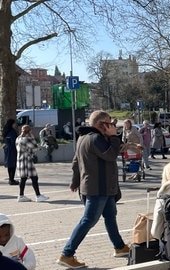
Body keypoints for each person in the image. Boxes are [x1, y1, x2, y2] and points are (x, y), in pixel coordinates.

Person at [57, 110, 129, 269]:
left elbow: (75, 162)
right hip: (98, 188)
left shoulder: (83, 137)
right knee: (88, 220)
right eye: (109, 123)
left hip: (101, 187)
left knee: (110, 216)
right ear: (101, 124)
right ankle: (67, 254)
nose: (112, 126)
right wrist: (114, 137)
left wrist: (75, 181)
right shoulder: (95, 138)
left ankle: (119, 247)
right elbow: (110, 155)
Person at [15, 125, 49, 203]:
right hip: (27, 160)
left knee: (23, 178)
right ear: (29, 131)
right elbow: (35, 147)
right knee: (34, 177)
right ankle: (38, 195)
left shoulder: (18, 138)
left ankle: (21, 195)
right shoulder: (27, 139)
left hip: (20, 160)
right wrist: (32, 137)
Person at [3, 119, 19, 185]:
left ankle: (11, 179)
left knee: (9, 165)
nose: (15, 124)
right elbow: (14, 141)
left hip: (7, 148)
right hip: (12, 149)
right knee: (13, 164)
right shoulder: (12, 131)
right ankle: (11, 180)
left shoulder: (6, 131)